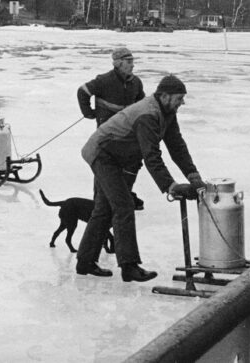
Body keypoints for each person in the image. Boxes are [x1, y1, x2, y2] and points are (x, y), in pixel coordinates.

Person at [75, 74, 205, 282]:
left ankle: (84, 262)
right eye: (179, 98)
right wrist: (170, 186)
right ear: (164, 96)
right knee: (124, 205)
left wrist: (193, 176)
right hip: (102, 154)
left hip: (120, 156)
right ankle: (129, 266)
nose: (182, 103)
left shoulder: (167, 112)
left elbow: (176, 146)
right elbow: (151, 155)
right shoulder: (148, 114)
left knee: (104, 209)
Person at [77, 47, 147, 208]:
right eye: (129, 62)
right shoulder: (104, 80)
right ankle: (99, 204)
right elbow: (82, 92)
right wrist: (89, 113)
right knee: (104, 170)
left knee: (125, 169)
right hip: (106, 137)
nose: (133, 65)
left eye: (133, 62)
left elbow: (142, 105)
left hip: (126, 136)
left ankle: (121, 199)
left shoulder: (136, 83)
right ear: (119, 63)